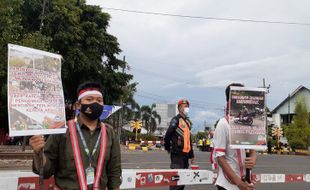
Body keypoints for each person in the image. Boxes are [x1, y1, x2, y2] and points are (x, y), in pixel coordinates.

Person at [29, 82, 121, 190]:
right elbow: (46, 171)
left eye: (99, 100)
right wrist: (38, 153)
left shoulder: (109, 132)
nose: (95, 103)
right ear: (78, 105)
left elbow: (114, 172)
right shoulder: (62, 130)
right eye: (89, 99)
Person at [212, 83, 257, 190]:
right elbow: (220, 157)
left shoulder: (248, 125)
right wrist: (239, 183)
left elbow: (253, 149)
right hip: (228, 185)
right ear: (230, 100)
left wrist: (253, 159)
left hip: (245, 182)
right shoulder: (223, 124)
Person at [164, 99, 194, 190]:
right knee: (175, 182)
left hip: (185, 155)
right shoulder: (176, 120)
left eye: (187, 107)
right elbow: (167, 135)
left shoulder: (187, 122)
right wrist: (168, 148)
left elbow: (189, 140)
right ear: (180, 108)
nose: (186, 108)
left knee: (182, 181)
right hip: (177, 154)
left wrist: (191, 156)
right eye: (185, 106)